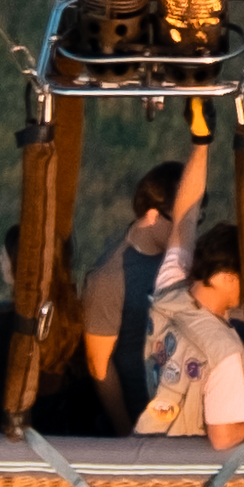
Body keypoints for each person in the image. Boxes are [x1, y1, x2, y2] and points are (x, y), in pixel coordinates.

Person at [129, 132, 244, 450]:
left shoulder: (170, 290)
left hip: (145, 445)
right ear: (227, 278)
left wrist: (201, 144)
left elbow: (184, 214)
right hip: (184, 479)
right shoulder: (224, 356)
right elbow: (224, 437)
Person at [73, 158, 180, 427]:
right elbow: (99, 364)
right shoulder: (110, 277)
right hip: (142, 413)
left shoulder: (178, 254)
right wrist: (126, 433)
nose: (189, 230)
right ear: (153, 215)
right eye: (182, 220)